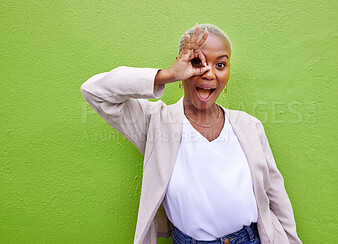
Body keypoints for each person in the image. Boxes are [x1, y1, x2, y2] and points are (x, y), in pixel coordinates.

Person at [81, 23, 302, 244]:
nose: (209, 73)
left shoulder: (249, 126)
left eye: (221, 64)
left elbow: (276, 195)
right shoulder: (155, 123)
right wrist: (167, 75)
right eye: (197, 62)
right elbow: (94, 91)